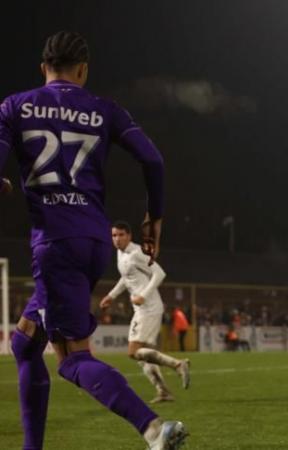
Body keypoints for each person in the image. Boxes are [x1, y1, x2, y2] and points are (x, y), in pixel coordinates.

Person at [0, 31, 187, 449]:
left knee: (72, 360)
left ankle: (154, 429)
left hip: (53, 243)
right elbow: (153, 160)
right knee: (25, 343)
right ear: (83, 70)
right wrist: (153, 218)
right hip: (94, 240)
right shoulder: (105, 109)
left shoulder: (14, 106)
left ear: (42, 67)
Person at [101, 221, 191, 403]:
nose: (117, 239)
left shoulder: (137, 253)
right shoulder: (121, 254)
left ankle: (178, 364)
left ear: (129, 236)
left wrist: (143, 295)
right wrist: (111, 295)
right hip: (143, 308)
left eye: (120, 235)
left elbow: (159, 273)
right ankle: (163, 391)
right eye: (114, 235)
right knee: (144, 356)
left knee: (133, 352)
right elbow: (126, 278)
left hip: (148, 308)